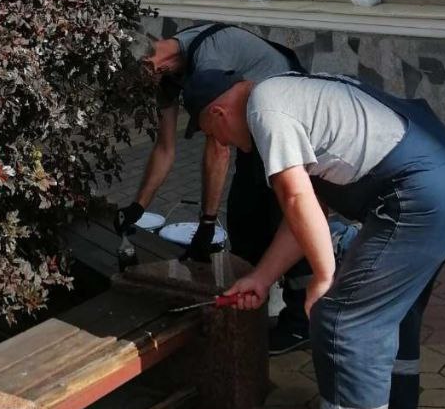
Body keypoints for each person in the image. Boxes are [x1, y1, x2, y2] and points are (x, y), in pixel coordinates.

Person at [184, 67, 445, 409]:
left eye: (213, 133)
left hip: (420, 192)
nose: (222, 143)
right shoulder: (290, 90)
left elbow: (295, 199)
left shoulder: (267, 110)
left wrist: (324, 278)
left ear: (218, 111)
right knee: (392, 310)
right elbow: (311, 206)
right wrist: (262, 277)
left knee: (343, 320)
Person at [115, 23, 311, 354]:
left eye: (136, 80)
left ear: (150, 65)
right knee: (244, 217)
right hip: (252, 127)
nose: (137, 89)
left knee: (280, 217)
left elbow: (218, 145)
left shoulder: (208, 56)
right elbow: (165, 149)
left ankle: (301, 322)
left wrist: (206, 224)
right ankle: (259, 308)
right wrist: (137, 208)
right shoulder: (166, 79)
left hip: (287, 115)